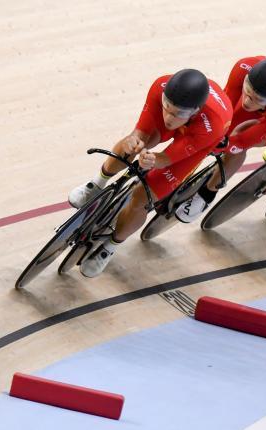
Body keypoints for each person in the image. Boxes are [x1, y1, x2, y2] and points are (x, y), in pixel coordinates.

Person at [68, 68, 232, 277]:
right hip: (187, 116)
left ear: (194, 111)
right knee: (133, 143)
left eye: (177, 114)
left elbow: (168, 159)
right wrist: (135, 141)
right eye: (166, 107)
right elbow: (141, 131)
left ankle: (110, 247)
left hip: (199, 138)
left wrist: (154, 160)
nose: (169, 117)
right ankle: (96, 184)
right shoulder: (160, 86)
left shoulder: (211, 126)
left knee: (141, 199)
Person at [177, 56, 266, 221]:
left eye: (257, 99)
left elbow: (240, 142)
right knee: (223, 127)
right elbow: (225, 112)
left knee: (241, 143)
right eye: (247, 90)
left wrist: (231, 144)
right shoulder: (243, 68)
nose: (248, 101)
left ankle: (207, 194)